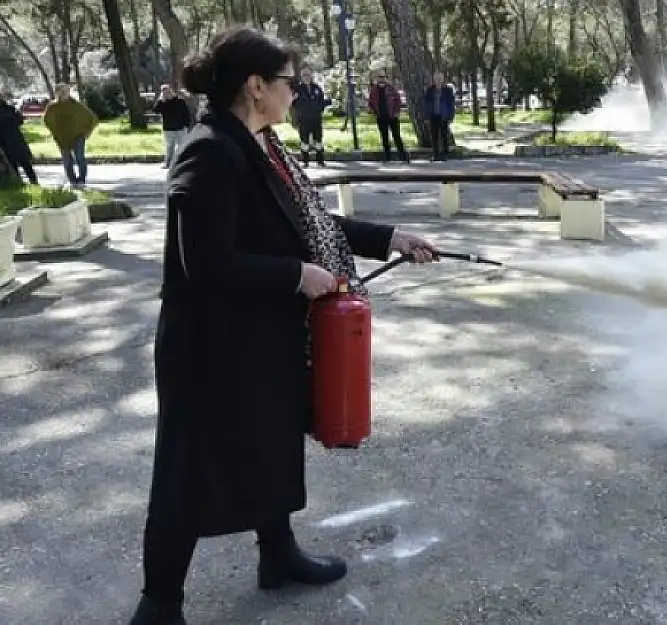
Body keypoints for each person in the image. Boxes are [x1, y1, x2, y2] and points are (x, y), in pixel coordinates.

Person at [128, 26, 439, 625]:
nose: (297, 93)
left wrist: (390, 239)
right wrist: (296, 275)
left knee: (272, 443)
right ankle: (159, 602)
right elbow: (206, 264)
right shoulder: (209, 150)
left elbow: (308, 224)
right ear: (254, 86)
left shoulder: (263, 144)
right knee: (189, 471)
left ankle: (278, 555)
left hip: (261, 336)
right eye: (289, 83)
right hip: (210, 349)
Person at [42, 83, 98, 186]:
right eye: (62, 92)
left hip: (78, 137)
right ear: (57, 93)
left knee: (80, 158)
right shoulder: (52, 107)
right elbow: (46, 121)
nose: (64, 94)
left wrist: (88, 132)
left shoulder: (76, 105)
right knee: (67, 161)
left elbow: (93, 118)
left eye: (66, 91)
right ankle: (72, 180)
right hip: (62, 139)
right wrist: (55, 132)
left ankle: (81, 180)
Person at [292, 66, 330, 166]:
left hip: (316, 119)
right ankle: (305, 161)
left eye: (308, 74)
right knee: (304, 142)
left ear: (311, 75)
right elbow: (293, 104)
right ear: (301, 77)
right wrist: (294, 100)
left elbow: (321, 102)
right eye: (304, 75)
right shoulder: (298, 89)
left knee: (318, 141)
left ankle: (320, 161)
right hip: (303, 119)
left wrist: (328, 102)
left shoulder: (316, 88)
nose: (306, 77)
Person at [367, 71, 409, 163]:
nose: (382, 78)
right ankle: (387, 157)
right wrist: (374, 112)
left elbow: (398, 101)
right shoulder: (374, 90)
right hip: (381, 117)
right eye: (380, 77)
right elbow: (370, 103)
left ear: (386, 78)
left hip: (392, 116)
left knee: (396, 136)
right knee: (384, 137)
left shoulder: (391, 88)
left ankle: (403, 156)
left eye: (383, 77)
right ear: (377, 78)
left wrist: (397, 112)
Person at [152, 84, 194, 168]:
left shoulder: (179, 101)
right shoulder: (162, 102)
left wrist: (187, 125)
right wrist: (160, 100)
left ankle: (182, 163)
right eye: (164, 93)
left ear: (171, 91)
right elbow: (156, 110)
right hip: (168, 128)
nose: (166, 94)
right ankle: (167, 163)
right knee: (169, 147)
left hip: (180, 128)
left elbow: (186, 113)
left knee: (182, 146)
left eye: (168, 92)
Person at [0, 93, 37, 184]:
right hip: (14, 139)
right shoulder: (10, 109)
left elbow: (20, 120)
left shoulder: (10, 108)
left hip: (6, 141)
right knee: (24, 163)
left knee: (14, 164)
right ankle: (32, 181)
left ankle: (19, 182)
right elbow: (20, 120)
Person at [423, 71, 454, 161]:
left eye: (440, 78)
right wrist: (427, 117)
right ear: (434, 79)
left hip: (444, 116)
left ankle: (445, 154)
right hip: (433, 116)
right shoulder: (430, 90)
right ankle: (435, 155)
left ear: (443, 79)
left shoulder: (447, 90)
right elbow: (427, 104)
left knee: (444, 136)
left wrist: (451, 116)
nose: (438, 80)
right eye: (436, 78)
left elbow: (451, 104)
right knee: (434, 136)